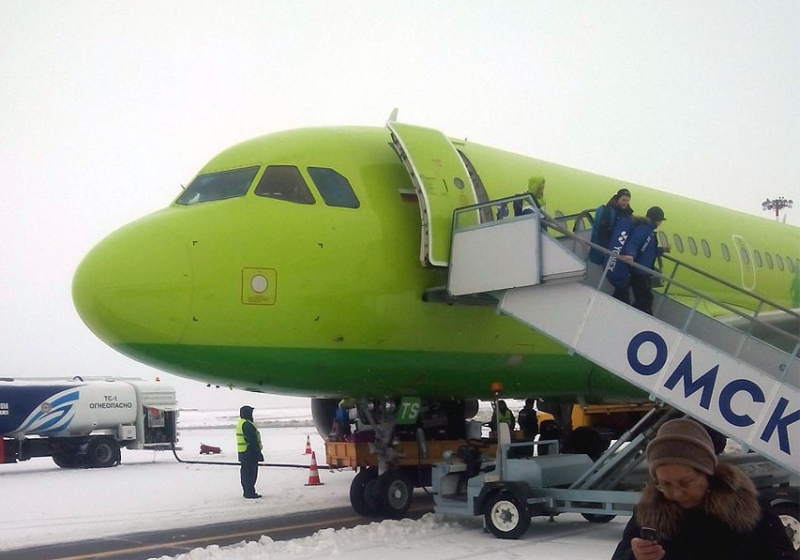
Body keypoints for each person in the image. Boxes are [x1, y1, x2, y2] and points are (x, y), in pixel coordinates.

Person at [611, 418, 794, 559]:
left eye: (685, 482)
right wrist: (634, 555)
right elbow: (622, 554)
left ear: (707, 473)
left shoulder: (749, 510)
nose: (676, 493)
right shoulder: (649, 513)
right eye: (665, 484)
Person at [619, 206, 669, 314]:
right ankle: (633, 317)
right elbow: (634, 242)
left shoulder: (648, 231)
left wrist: (662, 250)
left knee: (645, 299)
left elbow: (649, 251)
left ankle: (634, 315)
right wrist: (630, 255)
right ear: (657, 220)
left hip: (643, 271)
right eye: (660, 220)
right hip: (639, 271)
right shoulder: (644, 230)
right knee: (645, 299)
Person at [589, 188, 634, 265]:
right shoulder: (607, 212)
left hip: (616, 248)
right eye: (623, 200)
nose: (626, 203)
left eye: (627, 200)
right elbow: (601, 233)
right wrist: (607, 250)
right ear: (617, 199)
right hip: (606, 249)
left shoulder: (628, 214)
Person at [236, 405, 264, 499]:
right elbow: (253, 440)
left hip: (243, 453)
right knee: (251, 474)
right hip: (249, 453)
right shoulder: (247, 424)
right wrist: (258, 453)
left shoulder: (241, 423)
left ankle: (247, 491)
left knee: (245, 473)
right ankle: (250, 492)